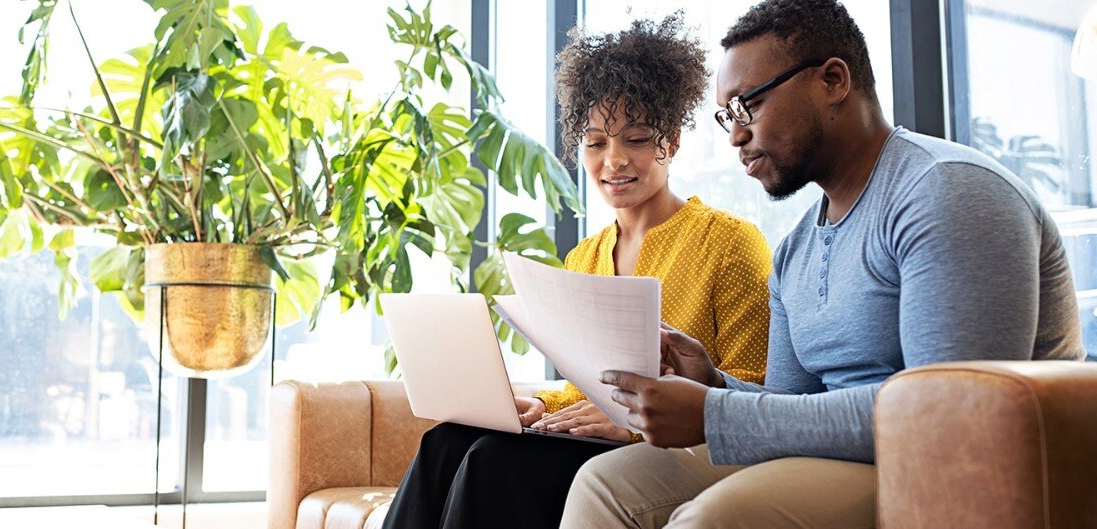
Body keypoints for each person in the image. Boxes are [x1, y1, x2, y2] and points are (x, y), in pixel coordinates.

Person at [559, 1, 1085, 528]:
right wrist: (716, 384)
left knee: (721, 517)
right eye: (728, 117)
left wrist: (715, 411)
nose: (736, 136)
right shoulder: (795, 251)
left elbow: (944, 414)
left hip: (952, 465)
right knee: (606, 485)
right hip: (847, 455)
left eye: (749, 106)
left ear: (833, 80)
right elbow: (789, 407)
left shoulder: (945, 192)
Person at [382, 13, 772, 529]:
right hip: (592, 443)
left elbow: (754, 390)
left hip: (673, 452)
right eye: (595, 143)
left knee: (491, 463)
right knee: (445, 442)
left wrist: (632, 425)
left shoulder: (729, 243)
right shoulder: (583, 258)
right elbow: (589, 388)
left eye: (636, 139)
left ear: (671, 142)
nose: (614, 160)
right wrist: (531, 404)